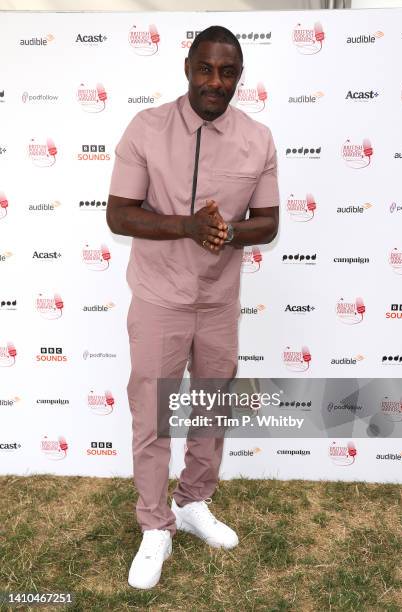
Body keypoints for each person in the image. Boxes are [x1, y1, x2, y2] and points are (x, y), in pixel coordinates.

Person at [106, 25, 280, 590]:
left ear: (239, 78)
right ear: (188, 67)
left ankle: (193, 502)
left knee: (210, 409)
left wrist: (226, 234)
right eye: (206, 68)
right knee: (152, 416)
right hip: (158, 300)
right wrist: (185, 225)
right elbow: (119, 214)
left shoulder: (258, 138)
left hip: (218, 303)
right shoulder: (146, 128)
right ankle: (155, 525)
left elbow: (269, 223)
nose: (215, 82)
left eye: (228, 72)